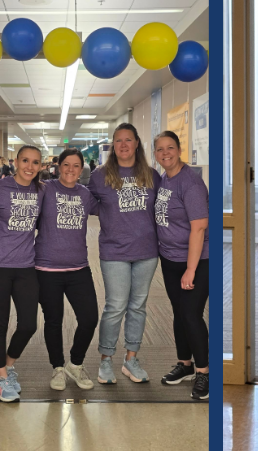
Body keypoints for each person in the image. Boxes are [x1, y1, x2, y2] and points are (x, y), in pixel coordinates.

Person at [88, 123, 161, 385]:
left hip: (147, 251)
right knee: (115, 306)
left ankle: (131, 359)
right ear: (113, 146)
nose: (123, 145)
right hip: (114, 250)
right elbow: (86, 203)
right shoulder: (99, 176)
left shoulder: (152, 175)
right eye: (118, 141)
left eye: (128, 140)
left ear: (137, 143)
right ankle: (106, 360)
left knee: (138, 306)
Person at [0, 145, 43, 402]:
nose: (29, 166)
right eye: (25, 160)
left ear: (41, 166)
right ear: (16, 162)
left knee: (28, 324)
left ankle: (7, 365)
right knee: (0, 323)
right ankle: (2, 378)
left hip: (26, 267)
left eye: (35, 162)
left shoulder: (42, 191)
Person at [152, 131, 211, 400]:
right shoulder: (165, 179)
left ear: (179, 149)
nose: (166, 153)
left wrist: (191, 268)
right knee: (179, 313)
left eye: (171, 148)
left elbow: (198, 228)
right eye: (160, 149)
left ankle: (204, 372)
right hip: (171, 258)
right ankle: (185, 364)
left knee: (191, 315)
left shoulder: (191, 183)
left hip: (196, 261)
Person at [36, 149, 98, 392]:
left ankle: (75, 363)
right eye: (66, 165)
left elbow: (111, 210)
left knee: (90, 318)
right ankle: (58, 367)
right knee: (53, 320)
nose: (71, 170)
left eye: (76, 165)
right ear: (58, 166)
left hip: (78, 268)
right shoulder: (44, 189)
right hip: (46, 267)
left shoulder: (86, 194)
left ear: (81, 168)